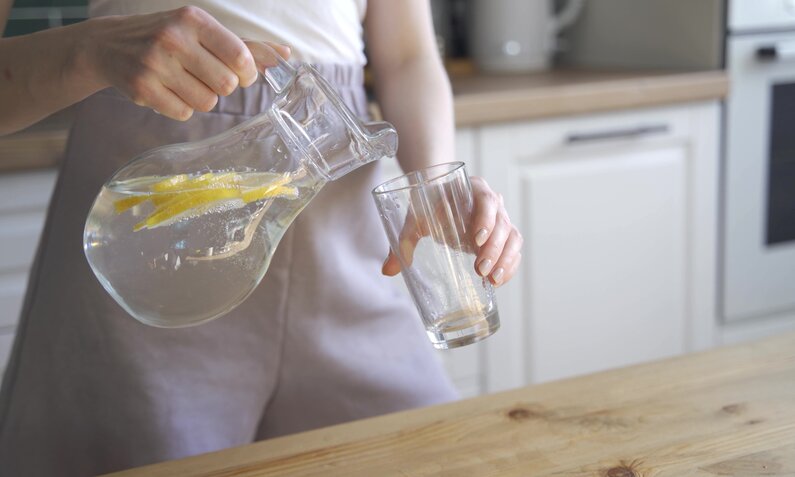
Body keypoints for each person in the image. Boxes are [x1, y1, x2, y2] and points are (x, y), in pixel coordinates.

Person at [0, 1, 523, 475]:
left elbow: (407, 56)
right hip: (150, 250)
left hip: (341, 235)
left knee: (430, 452)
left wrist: (434, 186)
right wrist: (86, 51)